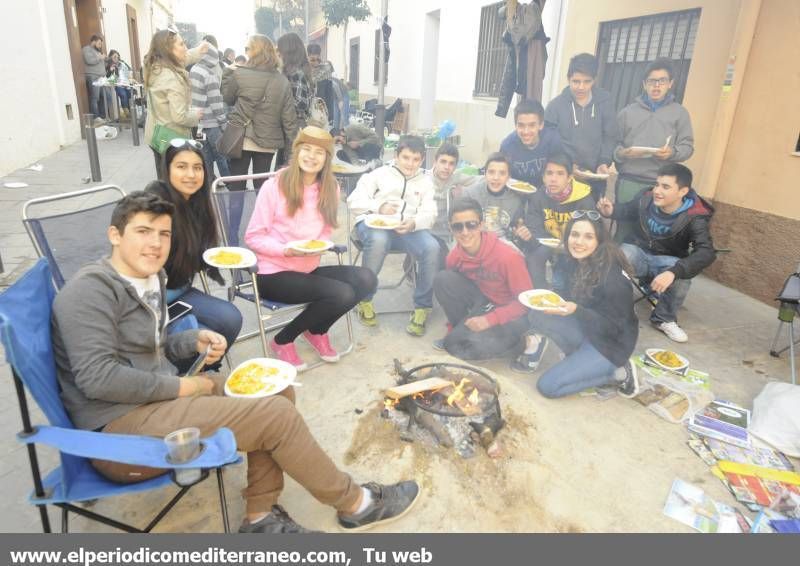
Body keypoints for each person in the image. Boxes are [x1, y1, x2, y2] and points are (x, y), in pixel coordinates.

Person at [50, 191, 420, 534]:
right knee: (274, 417)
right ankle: (356, 503)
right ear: (115, 234)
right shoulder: (89, 291)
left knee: (277, 388)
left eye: (163, 234)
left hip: (153, 402)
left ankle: (259, 515)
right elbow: (98, 379)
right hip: (118, 434)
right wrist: (185, 386)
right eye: (143, 231)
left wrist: (189, 340)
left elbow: (151, 345)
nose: (155, 243)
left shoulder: (148, 278)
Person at [244, 127, 377, 370]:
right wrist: (287, 250)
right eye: (306, 149)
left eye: (319, 152)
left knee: (366, 279)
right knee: (342, 293)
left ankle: (316, 330)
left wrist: (317, 246)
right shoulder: (275, 185)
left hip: (307, 268)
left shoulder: (331, 188)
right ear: (296, 151)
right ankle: (283, 340)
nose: (312, 156)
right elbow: (253, 236)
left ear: (328, 157)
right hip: (272, 273)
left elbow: (324, 232)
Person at [513, 213, 640, 399]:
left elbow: (615, 328)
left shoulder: (614, 280)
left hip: (611, 345)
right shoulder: (575, 260)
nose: (578, 242)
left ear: (600, 240)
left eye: (588, 237)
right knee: (538, 314)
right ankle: (579, 359)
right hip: (588, 329)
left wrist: (577, 311)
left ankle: (619, 374)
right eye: (574, 235)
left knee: (548, 387)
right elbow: (570, 297)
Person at [144, 138, 242, 366]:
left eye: (197, 168)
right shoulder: (155, 203)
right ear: (167, 169)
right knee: (203, 337)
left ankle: (201, 370)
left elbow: (194, 254)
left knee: (231, 318)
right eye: (181, 166)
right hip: (151, 300)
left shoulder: (197, 204)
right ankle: (180, 377)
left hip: (181, 291)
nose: (191, 175)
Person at [597, 163, 715, 343]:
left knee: (682, 275)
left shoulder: (695, 215)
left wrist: (673, 272)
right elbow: (628, 210)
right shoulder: (646, 197)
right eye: (657, 184)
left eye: (665, 187)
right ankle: (612, 309)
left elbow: (706, 252)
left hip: (666, 260)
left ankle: (664, 319)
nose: (657, 191)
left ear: (682, 191)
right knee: (619, 257)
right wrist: (611, 211)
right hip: (637, 250)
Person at [347, 135, 439, 336]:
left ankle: (422, 307)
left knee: (432, 247)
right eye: (406, 157)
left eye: (416, 159)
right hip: (372, 223)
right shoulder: (379, 175)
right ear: (396, 155)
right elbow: (354, 201)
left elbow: (430, 212)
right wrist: (379, 206)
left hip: (405, 228)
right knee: (379, 240)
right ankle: (364, 299)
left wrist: (414, 223)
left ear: (422, 160)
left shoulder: (425, 182)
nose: (410, 164)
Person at [433, 197, 532, 361]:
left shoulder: (508, 257)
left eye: (471, 225)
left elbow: (525, 304)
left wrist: (490, 320)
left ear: (481, 224)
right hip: (486, 302)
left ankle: (522, 342)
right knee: (443, 280)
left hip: (513, 314)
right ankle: (462, 332)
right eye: (458, 226)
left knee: (454, 346)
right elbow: (454, 291)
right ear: (451, 228)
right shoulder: (454, 256)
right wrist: (455, 327)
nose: (465, 232)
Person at [614, 58, 694, 242]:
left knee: (654, 235)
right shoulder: (627, 113)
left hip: (659, 184)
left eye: (662, 81)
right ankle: (618, 268)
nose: (656, 86)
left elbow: (687, 147)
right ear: (644, 84)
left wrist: (672, 153)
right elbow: (614, 146)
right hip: (629, 181)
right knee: (623, 231)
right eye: (652, 81)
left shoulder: (679, 113)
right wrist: (624, 153)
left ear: (670, 84)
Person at [222, 34, 297, 191]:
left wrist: (228, 72)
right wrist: (291, 151)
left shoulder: (240, 73)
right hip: (268, 141)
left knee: (236, 186)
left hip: (241, 138)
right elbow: (289, 120)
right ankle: (262, 216)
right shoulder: (283, 81)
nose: (246, 52)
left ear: (255, 51)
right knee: (261, 187)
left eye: (247, 48)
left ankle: (235, 217)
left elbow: (228, 98)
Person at [544, 53, 617, 202]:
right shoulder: (555, 106)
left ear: (594, 80)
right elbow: (549, 141)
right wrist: (568, 164)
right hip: (566, 177)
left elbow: (610, 135)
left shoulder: (605, 102)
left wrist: (604, 161)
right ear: (568, 79)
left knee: (591, 219)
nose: (581, 87)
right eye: (576, 81)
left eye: (587, 81)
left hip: (596, 178)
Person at [517, 153, 595, 289]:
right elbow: (534, 228)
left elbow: (589, 233)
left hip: (575, 248)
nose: (553, 179)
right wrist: (529, 237)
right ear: (543, 177)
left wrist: (566, 247)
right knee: (533, 257)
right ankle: (540, 296)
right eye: (549, 173)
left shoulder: (584, 199)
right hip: (548, 244)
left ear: (569, 177)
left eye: (560, 174)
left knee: (563, 283)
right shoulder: (539, 196)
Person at [143, 28, 205, 177]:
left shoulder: (157, 66)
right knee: (173, 184)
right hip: (171, 138)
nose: (185, 48)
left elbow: (183, 58)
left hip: (157, 134)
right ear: (168, 50)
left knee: (165, 179)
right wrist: (196, 115)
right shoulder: (171, 77)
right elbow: (180, 116)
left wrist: (198, 51)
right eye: (181, 44)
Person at [499, 99, 563, 189]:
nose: (526, 131)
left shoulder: (553, 140)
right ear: (515, 125)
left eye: (532, 125)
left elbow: (560, 171)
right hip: (517, 192)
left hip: (546, 192)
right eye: (521, 125)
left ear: (541, 125)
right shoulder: (507, 146)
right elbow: (502, 174)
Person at [189, 43, 230, 180]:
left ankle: (209, 186)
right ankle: (230, 184)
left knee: (205, 157)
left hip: (199, 125)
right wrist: (223, 123)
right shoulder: (209, 74)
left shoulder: (193, 70)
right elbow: (216, 103)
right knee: (221, 156)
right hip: (212, 126)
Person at [464, 153, 526, 243]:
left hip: (501, 244)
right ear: (485, 174)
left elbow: (516, 229)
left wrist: (518, 232)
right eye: (491, 172)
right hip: (474, 241)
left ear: (508, 177)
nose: (496, 178)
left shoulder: (515, 201)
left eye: (502, 173)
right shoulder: (471, 194)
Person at [426, 143, 478, 239]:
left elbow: (482, 181)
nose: (447, 167)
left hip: (447, 234)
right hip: (425, 232)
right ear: (435, 162)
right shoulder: (423, 179)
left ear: (455, 167)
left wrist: (463, 191)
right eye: (443, 162)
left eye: (451, 163)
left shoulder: (456, 178)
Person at [277, 33, 315, 130]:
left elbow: (300, 104)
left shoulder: (296, 73)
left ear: (288, 52)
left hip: (295, 126)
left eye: (280, 50)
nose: (278, 54)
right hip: (297, 125)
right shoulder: (301, 70)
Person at [83, 34, 113, 126]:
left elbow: (101, 64)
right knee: (95, 97)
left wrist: (108, 63)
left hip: (102, 78)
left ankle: (102, 116)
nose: (100, 45)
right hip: (93, 76)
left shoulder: (98, 51)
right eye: (99, 43)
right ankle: (96, 117)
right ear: (93, 42)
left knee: (108, 96)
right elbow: (89, 60)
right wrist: (100, 57)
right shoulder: (86, 49)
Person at [105, 50, 133, 119]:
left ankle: (131, 113)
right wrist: (111, 71)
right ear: (111, 58)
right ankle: (127, 113)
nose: (116, 58)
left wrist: (130, 78)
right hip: (117, 85)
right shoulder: (109, 66)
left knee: (130, 94)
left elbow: (129, 70)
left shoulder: (122, 63)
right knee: (123, 94)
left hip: (126, 84)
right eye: (114, 57)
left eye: (117, 57)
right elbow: (108, 77)